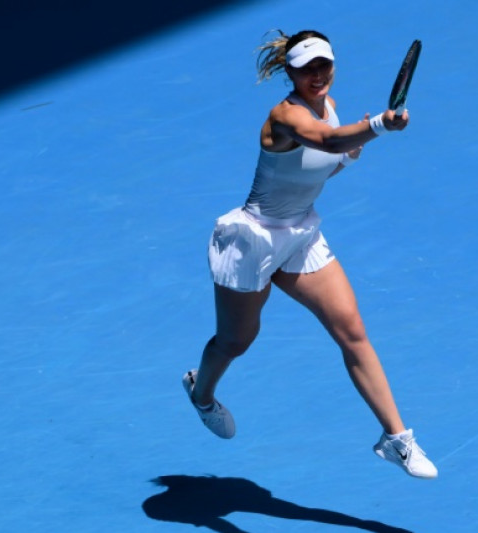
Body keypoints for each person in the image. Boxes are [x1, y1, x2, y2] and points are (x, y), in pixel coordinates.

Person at [182, 29, 437, 479]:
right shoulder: (285, 116)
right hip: (253, 240)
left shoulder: (330, 107)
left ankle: (396, 439)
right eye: (306, 69)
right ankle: (201, 393)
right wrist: (377, 126)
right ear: (291, 72)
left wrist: (351, 154)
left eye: (324, 65)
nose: (317, 76)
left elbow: (316, 168)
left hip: (300, 232)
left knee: (352, 330)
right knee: (235, 341)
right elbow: (326, 142)